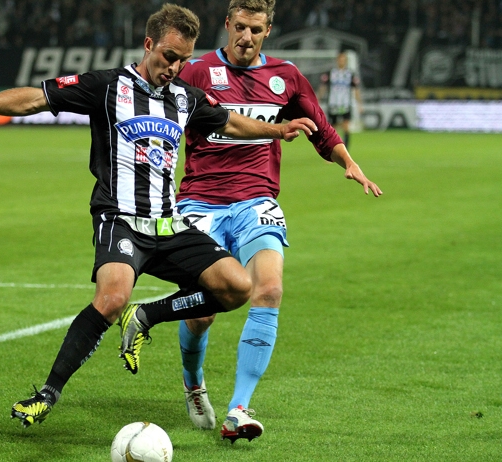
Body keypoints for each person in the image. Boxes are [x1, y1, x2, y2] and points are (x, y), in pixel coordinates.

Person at [0, 3, 316, 429]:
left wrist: (278, 129)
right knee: (112, 297)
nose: (175, 67)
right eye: (169, 57)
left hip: (168, 224)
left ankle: (148, 316)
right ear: (149, 44)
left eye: (184, 60)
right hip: (120, 220)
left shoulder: (185, 98)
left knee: (236, 287)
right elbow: (36, 98)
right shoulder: (106, 86)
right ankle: (47, 393)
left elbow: (229, 122)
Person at [118, 0, 381, 443]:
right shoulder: (197, 71)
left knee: (270, 289)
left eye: (255, 30)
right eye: (239, 27)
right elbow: (150, 98)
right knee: (204, 311)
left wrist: (348, 162)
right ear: (227, 25)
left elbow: (320, 128)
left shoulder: (286, 76)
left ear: (267, 30)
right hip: (200, 201)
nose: (246, 37)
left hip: (256, 200)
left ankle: (239, 409)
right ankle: (193, 382)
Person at [319, 50, 363, 147]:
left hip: (346, 104)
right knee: (332, 128)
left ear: (346, 61)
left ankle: (345, 151)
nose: (341, 61)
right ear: (337, 60)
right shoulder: (330, 73)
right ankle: (332, 150)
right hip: (333, 104)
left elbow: (356, 90)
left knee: (346, 127)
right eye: (340, 59)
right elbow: (323, 87)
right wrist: (318, 99)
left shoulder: (350, 74)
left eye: (343, 59)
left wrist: (359, 104)